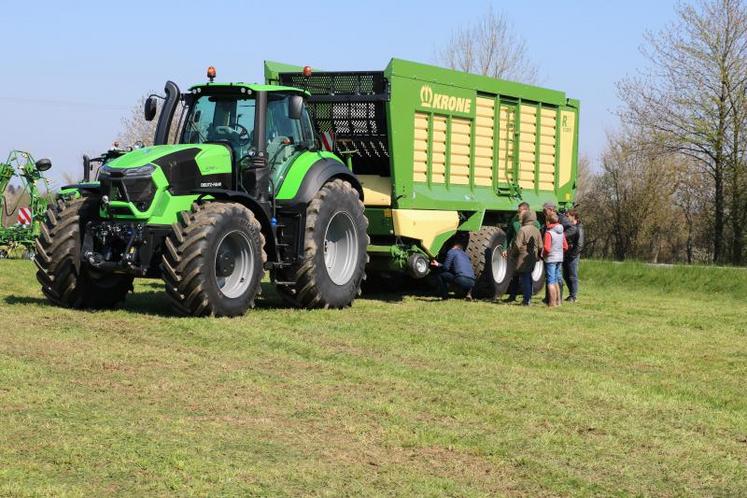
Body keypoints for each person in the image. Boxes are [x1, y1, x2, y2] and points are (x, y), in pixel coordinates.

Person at [502, 202, 540, 302]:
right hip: (516, 249)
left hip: (527, 252)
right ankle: (512, 295)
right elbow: (509, 235)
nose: (518, 214)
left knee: (526, 274)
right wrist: (505, 248)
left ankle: (527, 297)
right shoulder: (514, 220)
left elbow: (539, 239)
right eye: (518, 211)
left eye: (520, 211)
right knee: (514, 274)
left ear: (526, 211)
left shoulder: (535, 224)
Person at [509, 210, 542, 305]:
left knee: (524, 278)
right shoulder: (537, 230)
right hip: (533, 256)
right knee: (529, 276)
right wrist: (539, 255)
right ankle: (529, 298)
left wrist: (513, 255)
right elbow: (540, 246)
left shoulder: (522, 230)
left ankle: (526, 300)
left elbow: (517, 245)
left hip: (522, 256)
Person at [543, 212, 567, 307]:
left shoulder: (549, 233)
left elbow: (547, 248)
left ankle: (552, 303)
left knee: (550, 281)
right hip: (559, 258)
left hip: (551, 259)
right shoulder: (561, 232)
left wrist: (544, 255)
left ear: (548, 222)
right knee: (556, 280)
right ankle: (558, 302)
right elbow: (565, 247)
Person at [562, 209, 584, 302]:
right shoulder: (568, 227)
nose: (566, 218)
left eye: (567, 216)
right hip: (566, 254)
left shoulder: (579, 228)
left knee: (572, 275)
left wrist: (572, 255)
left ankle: (573, 296)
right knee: (566, 275)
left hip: (573, 256)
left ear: (573, 216)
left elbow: (580, 245)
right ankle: (571, 294)